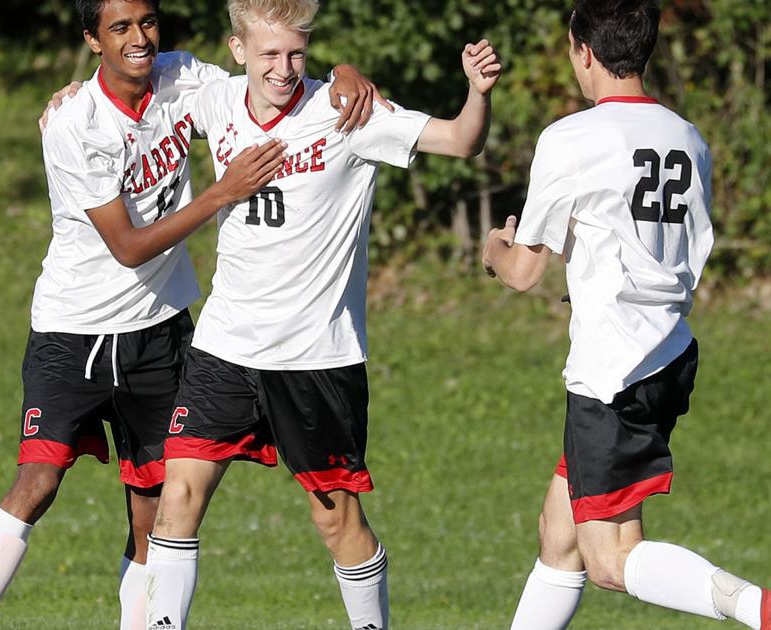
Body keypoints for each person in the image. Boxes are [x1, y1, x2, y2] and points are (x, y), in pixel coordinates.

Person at [0, 1, 380, 628]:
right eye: (119, 27)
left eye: (146, 22)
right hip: (75, 330)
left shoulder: (183, 79)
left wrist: (342, 72)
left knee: (155, 513)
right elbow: (127, 248)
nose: (138, 37)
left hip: (160, 332)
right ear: (92, 39)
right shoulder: (75, 122)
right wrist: (222, 193)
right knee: (37, 482)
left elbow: (269, 77)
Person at [136, 2, 501, 629]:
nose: (283, 69)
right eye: (269, 54)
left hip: (316, 358)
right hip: (225, 347)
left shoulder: (347, 112)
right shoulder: (213, 98)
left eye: (296, 53)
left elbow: (462, 141)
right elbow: (131, 66)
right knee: (179, 497)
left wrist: (478, 91)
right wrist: (75, 96)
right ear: (238, 50)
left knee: (336, 519)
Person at [481, 2, 771, 629]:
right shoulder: (688, 139)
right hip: (667, 354)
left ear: (584, 51)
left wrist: (493, 249)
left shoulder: (571, 138)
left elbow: (524, 272)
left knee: (610, 559)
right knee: (559, 533)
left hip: (612, 372)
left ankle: (766, 609)